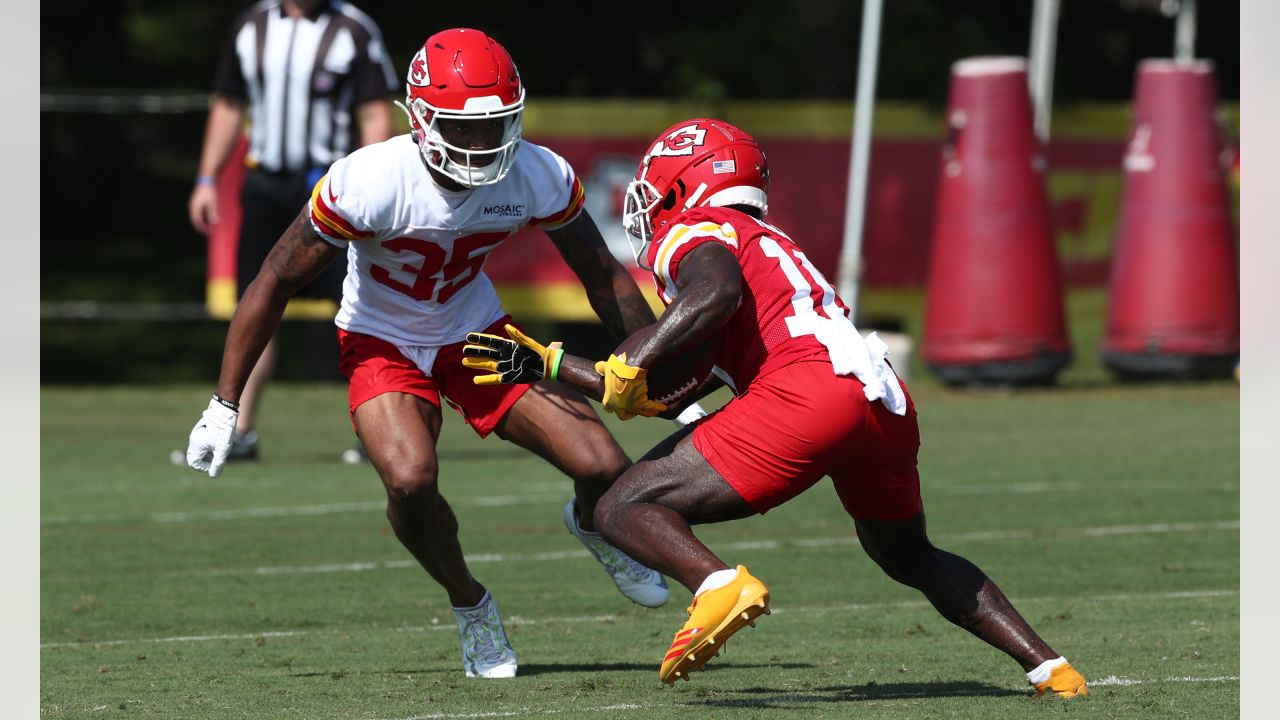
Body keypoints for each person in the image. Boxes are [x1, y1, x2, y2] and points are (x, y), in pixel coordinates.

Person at [461, 118, 1089, 697]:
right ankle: (1050, 668)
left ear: (683, 183)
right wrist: (546, 364)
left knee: (622, 505)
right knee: (908, 555)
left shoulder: (701, 231)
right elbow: (655, 392)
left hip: (806, 393)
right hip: (880, 401)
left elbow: (714, 291)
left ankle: (717, 585)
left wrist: (634, 354)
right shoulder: (763, 243)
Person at [184, 28, 671, 679]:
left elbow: (604, 276)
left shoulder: (535, 170)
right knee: (410, 481)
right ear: (419, 120)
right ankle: (471, 606)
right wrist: (224, 404)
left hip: (476, 332)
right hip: (382, 338)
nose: (480, 144)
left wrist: (654, 366)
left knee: (604, 465)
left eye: (495, 126)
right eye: (462, 129)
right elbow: (276, 278)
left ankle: (590, 523)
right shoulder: (369, 180)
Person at [187, 0, 400, 464]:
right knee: (257, 299)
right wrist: (207, 178)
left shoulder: (353, 29)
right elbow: (228, 104)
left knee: (362, 306)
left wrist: (378, 188)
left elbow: (373, 114)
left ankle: (381, 428)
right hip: (265, 183)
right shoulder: (251, 25)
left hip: (330, 187)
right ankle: (237, 431)